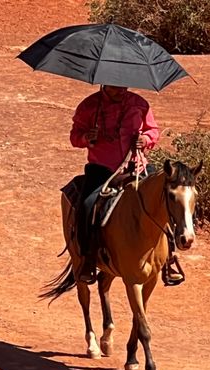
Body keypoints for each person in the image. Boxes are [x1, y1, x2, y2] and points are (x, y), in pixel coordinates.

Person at [69, 85, 159, 283]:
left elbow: (153, 131)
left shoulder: (139, 104)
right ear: (104, 83)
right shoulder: (89, 106)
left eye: (123, 85)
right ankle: (88, 259)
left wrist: (145, 139)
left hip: (136, 167)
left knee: (165, 195)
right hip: (102, 169)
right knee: (87, 205)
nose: (120, 89)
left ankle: (169, 257)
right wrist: (86, 138)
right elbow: (75, 136)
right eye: (115, 86)